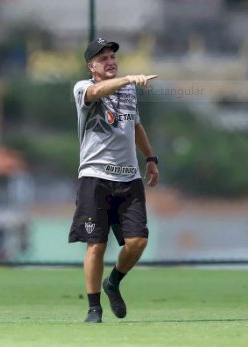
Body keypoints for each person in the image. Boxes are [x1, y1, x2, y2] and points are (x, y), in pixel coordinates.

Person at [68, 37, 159, 323]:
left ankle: (114, 282)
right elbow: (96, 92)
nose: (111, 62)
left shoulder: (129, 89)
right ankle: (94, 307)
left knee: (137, 242)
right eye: (103, 58)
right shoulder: (83, 87)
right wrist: (127, 79)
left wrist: (151, 158)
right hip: (95, 177)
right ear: (91, 66)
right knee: (96, 244)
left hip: (129, 179)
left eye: (112, 57)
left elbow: (135, 125)